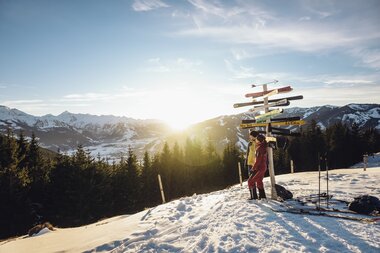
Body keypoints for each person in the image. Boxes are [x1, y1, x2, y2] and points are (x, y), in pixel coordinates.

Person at [248, 134, 268, 200]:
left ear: (259, 140)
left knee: (250, 181)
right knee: (259, 181)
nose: (255, 140)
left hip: (259, 168)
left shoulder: (260, 149)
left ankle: (253, 197)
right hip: (263, 167)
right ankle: (262, 196)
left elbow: (258, 160)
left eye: (256, 139)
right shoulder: (263, 146)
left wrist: (253, 168)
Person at [246, 130, 259, 199]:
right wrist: (246, 161)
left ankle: (254, 196)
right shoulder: (250, 143)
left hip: (255, 164)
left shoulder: (257, 143)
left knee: (252, 180)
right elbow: (248, 153)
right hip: (249, 163)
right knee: (250, 180)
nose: (249, 137)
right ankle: (252, 195)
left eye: (251, 135)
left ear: (254, 136)